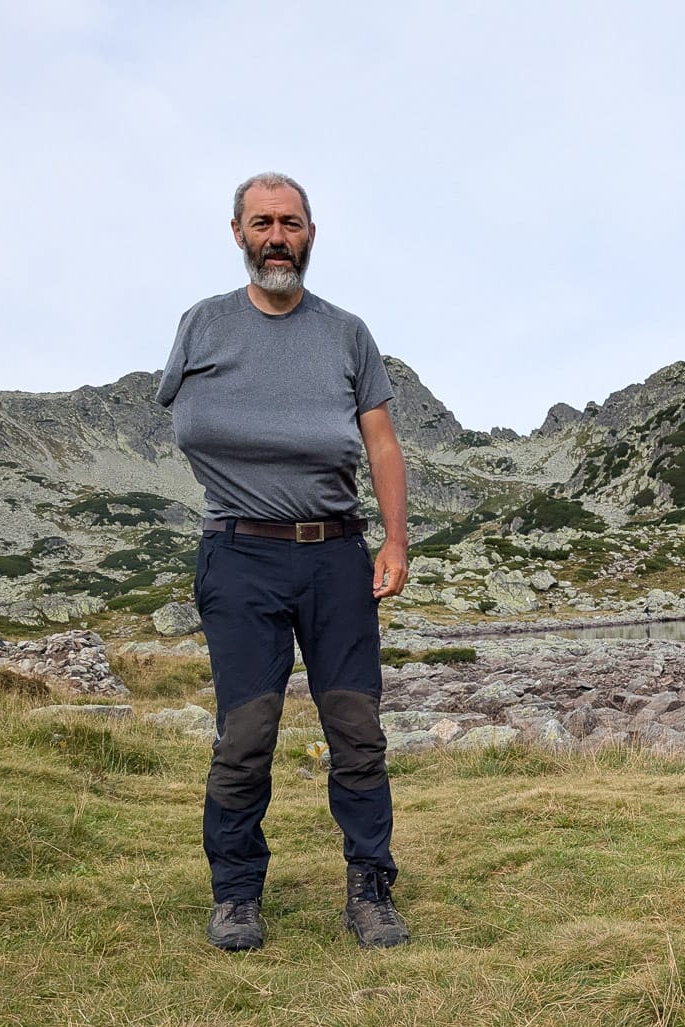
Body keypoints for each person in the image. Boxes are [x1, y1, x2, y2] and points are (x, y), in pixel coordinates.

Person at [155, 171, 410, 952]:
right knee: (245, 733)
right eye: (262, 222)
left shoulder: (346, 334)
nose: (277, 237)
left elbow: (382, 444)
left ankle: (370, 888)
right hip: (236, 553)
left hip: (334, 554)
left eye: (291, 223)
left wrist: (396, 540)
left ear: (310, 233)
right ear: (236, 232)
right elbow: (180, 420)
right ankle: (236, 893)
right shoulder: (202, 326)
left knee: (357, 729)